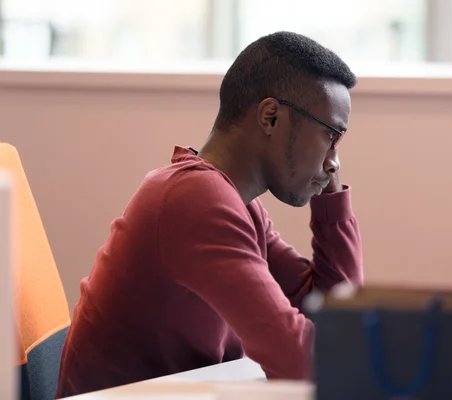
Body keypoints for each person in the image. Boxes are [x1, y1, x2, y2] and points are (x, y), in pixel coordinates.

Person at [55, 31, 363, 398]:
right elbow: (299, 360)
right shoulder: (197, 199)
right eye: (331, 136)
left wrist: (332, 202)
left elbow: (335, 319)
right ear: (270, 117)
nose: (333, 162)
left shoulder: (237, 203)